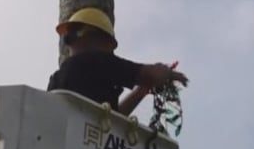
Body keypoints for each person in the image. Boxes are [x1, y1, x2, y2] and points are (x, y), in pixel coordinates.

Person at [47, 7, 188, 117]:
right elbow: (151, 74)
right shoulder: (95, 61)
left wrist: (141, 91)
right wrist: (167, 73)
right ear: (100, 39)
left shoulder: (57, 79)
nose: (68, 46)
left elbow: (112, 120)